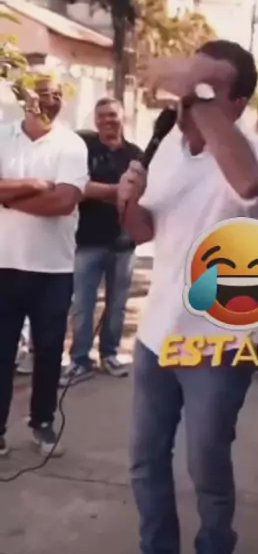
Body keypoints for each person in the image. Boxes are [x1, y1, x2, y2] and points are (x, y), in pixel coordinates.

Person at [116, 41, 258, 554]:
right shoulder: (167, 151)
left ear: (238, 102)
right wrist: (126, 202)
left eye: (208, 89)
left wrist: (193, 88)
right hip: (157, 335)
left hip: (218, 342)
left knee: (206, 462)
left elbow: (249, 186)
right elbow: (143, 232)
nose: (188, 99)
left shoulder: (254, 152)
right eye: (188, 87)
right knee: (145, 459)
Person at [0, 75, 88, 457]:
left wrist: (7, 196)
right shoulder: (3, 135)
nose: (49, 101)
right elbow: (51, 194)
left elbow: (64, 202)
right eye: (41, 94)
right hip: (4, 265)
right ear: (25, 98)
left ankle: (43, 423)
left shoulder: (71, 145)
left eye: (56, 95)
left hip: (53, 269)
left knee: (49, 353)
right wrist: (36, 184)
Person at [59, 98, 143, 387]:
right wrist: (117, 190)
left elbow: (141, 191)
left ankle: (110, 354)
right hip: (87, 240)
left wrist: (106, 192)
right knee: (82, 305)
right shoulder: (84, 148)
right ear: (95, 120)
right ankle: (80, 360)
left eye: (113, 115)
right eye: (102, 116)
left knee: (117, 305)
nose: (108, 120)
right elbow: (77, 187)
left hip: (123, 242)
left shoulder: (135, 154)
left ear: (123, 118)